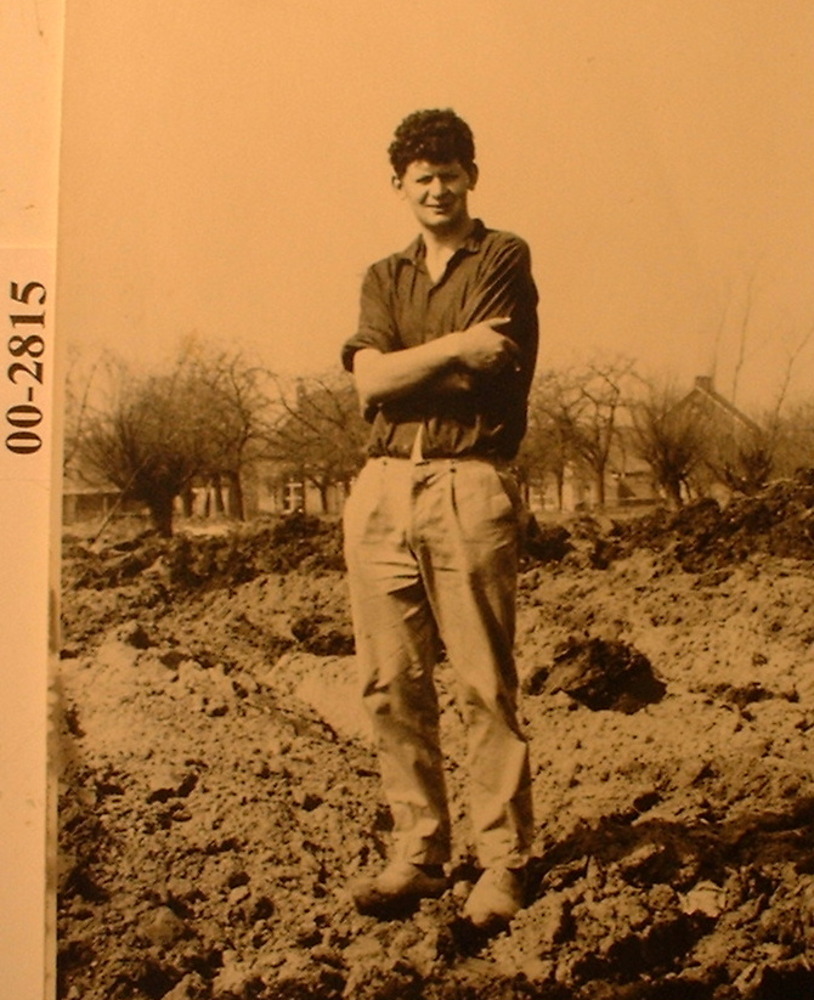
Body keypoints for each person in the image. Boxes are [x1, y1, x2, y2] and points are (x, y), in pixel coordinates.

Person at [340, 108, 538, 927]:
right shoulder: (383, 277)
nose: (437, 189)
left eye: (450, 173)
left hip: (468, 479)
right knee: (390, 683)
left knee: (483, 684)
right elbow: (371, 384)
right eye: (422, 177)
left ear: (471, 177)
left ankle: (503, 863)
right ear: (399, 185)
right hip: (383, 485)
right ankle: (419, 853)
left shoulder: (503, 256)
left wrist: (404, 369)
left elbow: (489, 373)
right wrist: (454, 349)